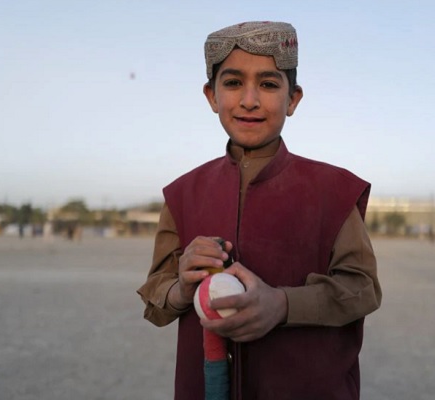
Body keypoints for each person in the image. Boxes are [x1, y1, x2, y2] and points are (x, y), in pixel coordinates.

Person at [136, 21, 382, 399]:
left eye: (268, 84)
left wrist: (282, 305)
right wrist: (183, 288)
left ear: (293, 98)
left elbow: (363, 288)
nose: (249, 100)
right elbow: (157, 297)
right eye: (233, 83)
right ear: (211, 96)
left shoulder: (332, 190)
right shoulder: (183, 194)